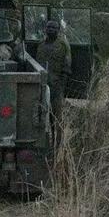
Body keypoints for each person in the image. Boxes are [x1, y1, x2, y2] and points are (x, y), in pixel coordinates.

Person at [35, 20, 71, 149]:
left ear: (58, 30)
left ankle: (58, 146)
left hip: (56, 87)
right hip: (41, 87)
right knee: (41, 116)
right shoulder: (40, 45)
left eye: (54, 27)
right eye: (49, 27)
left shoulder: (63, 45)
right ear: (45, 29)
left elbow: (67, 67)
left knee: (57, 118)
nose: (51, 29)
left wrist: (61, 87)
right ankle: (42, 145)